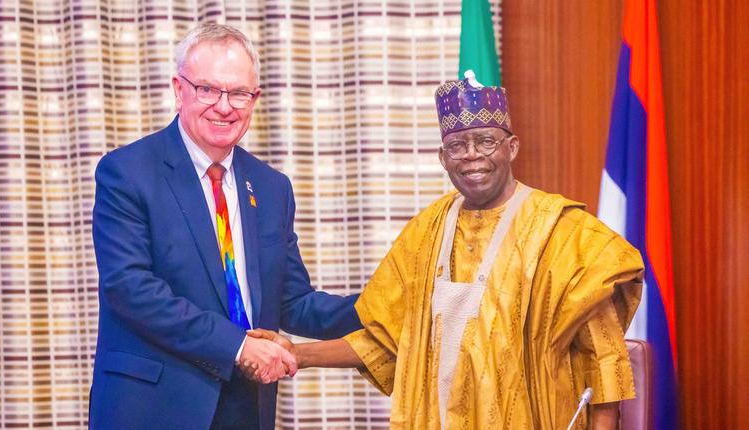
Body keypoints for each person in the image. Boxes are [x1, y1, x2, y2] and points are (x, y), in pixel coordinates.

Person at [250, 71, 644, 429]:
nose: (472, 155)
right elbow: (387, 341)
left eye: (486, 141)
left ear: (512, 147)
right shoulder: (426, 231)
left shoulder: (565, 233)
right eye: (457, 146)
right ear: (443, 158)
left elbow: (603, 362)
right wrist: (297, 354)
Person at [89, 23, 360, 430]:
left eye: (238, 93)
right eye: (208, 89)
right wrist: (236, 345)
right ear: (179, 90)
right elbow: (130, 289)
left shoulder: (271, 187)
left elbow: (292, 303)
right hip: (153, 407)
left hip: (245, 405)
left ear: (255, 99)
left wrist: (387, 303)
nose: (224, 106)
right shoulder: (127, 172)